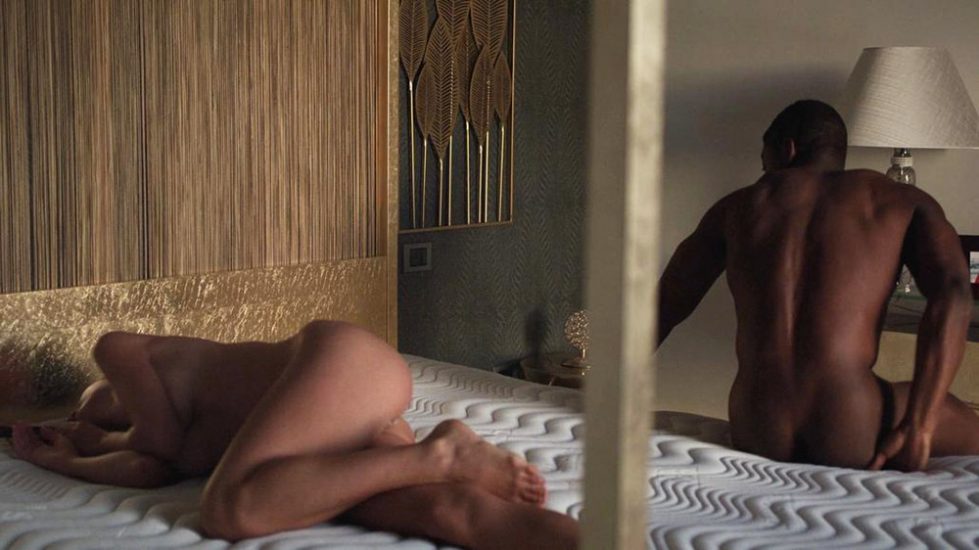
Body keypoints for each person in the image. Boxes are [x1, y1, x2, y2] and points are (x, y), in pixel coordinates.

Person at [10, 320, 579, 549]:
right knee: (446, 512)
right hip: (334, 431)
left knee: (229, 511)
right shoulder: (169, 437)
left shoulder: (116, 351)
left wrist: (91, 443)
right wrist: (68, 461)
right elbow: (147, 467)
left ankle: (443, 453)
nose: (81, 419)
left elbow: (154, 445)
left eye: (82, 409)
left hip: (343, 364)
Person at [657, 99, 977, 472]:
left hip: (757, 427)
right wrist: (919, 425)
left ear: (787, 149)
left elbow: (663, 305)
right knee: (955, 413)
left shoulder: (734, 208)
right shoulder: (899, 200)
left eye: (764, 162)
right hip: (849, 429)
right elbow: (955, 297)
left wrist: (609, 389)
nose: (765, 173)